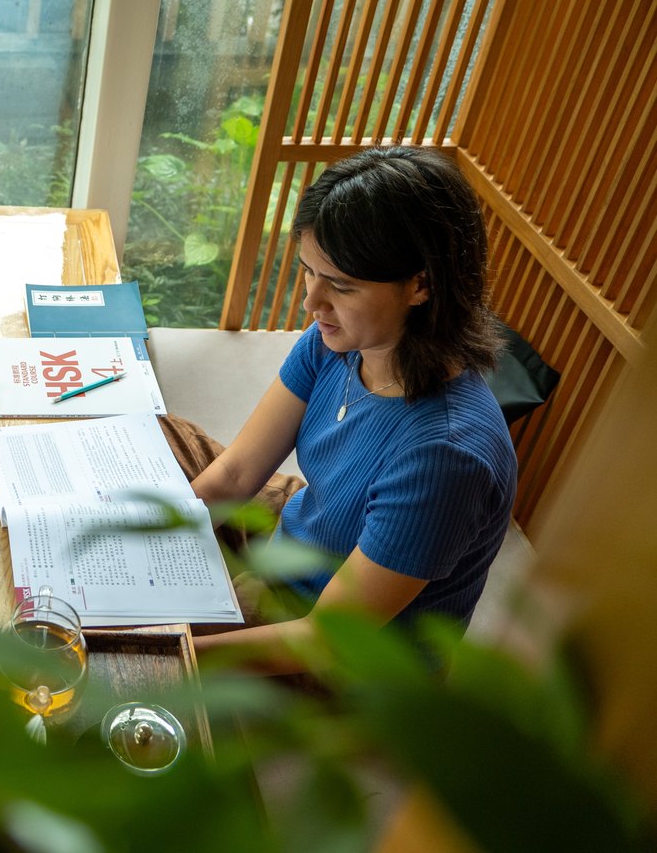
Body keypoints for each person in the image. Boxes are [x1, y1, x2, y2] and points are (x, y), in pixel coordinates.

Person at [175, 147, 517, 673]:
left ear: (420, 284)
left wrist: (169, 654)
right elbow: (236, 473)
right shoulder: (334, 342)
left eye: (341, 285)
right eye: (309, 272)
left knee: (148, 651)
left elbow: (325, 640)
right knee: (165, 436)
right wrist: (150, 540)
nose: (312, 303)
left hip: (349, 652)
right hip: (306, 528)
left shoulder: (444, 456)